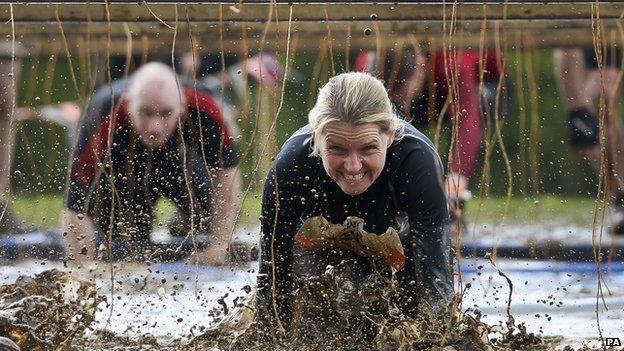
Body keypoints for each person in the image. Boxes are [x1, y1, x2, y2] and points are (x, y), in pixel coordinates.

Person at [256, 72, 453, 334]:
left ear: (390, 135)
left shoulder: (417, 165)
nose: (352, 167)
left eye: (368, 149)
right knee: (306, 324)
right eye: (337, 149)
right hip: (314, 238)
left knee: (410, 320)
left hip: (397, 239)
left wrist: (438, 337)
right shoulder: (292, 166)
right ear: (316, 137)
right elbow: (272, 276)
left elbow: (435, 279)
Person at [62, 62, 241, 263]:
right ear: (130, 107)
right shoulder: (105, 112)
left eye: (166, 114)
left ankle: (182, 224)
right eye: (146, 113)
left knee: (211, 213)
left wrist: (219, 245)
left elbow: (227, 174)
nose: (155, 127)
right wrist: (84, 268)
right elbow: (75, 200)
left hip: (180, 164)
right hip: (122, 173)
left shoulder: (203, 105)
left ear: (181, 107)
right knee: (125, 244)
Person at [355, 47, 508, 230]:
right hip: (424, 91)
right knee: (385, 118)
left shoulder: (452, 61)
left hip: (484, 86)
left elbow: (468, 123)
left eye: (402, 93)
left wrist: (455, 178)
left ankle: (453, 214)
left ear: (420, 68)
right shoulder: (367, 63)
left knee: (478, 103)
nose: (400, 101)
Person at [554, 48, 624, 234]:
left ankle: (619, 198)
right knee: (597, 100)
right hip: (572, 31)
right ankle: (618, 197)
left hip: (604, 25)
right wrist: (576, 112)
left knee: (603, 97)